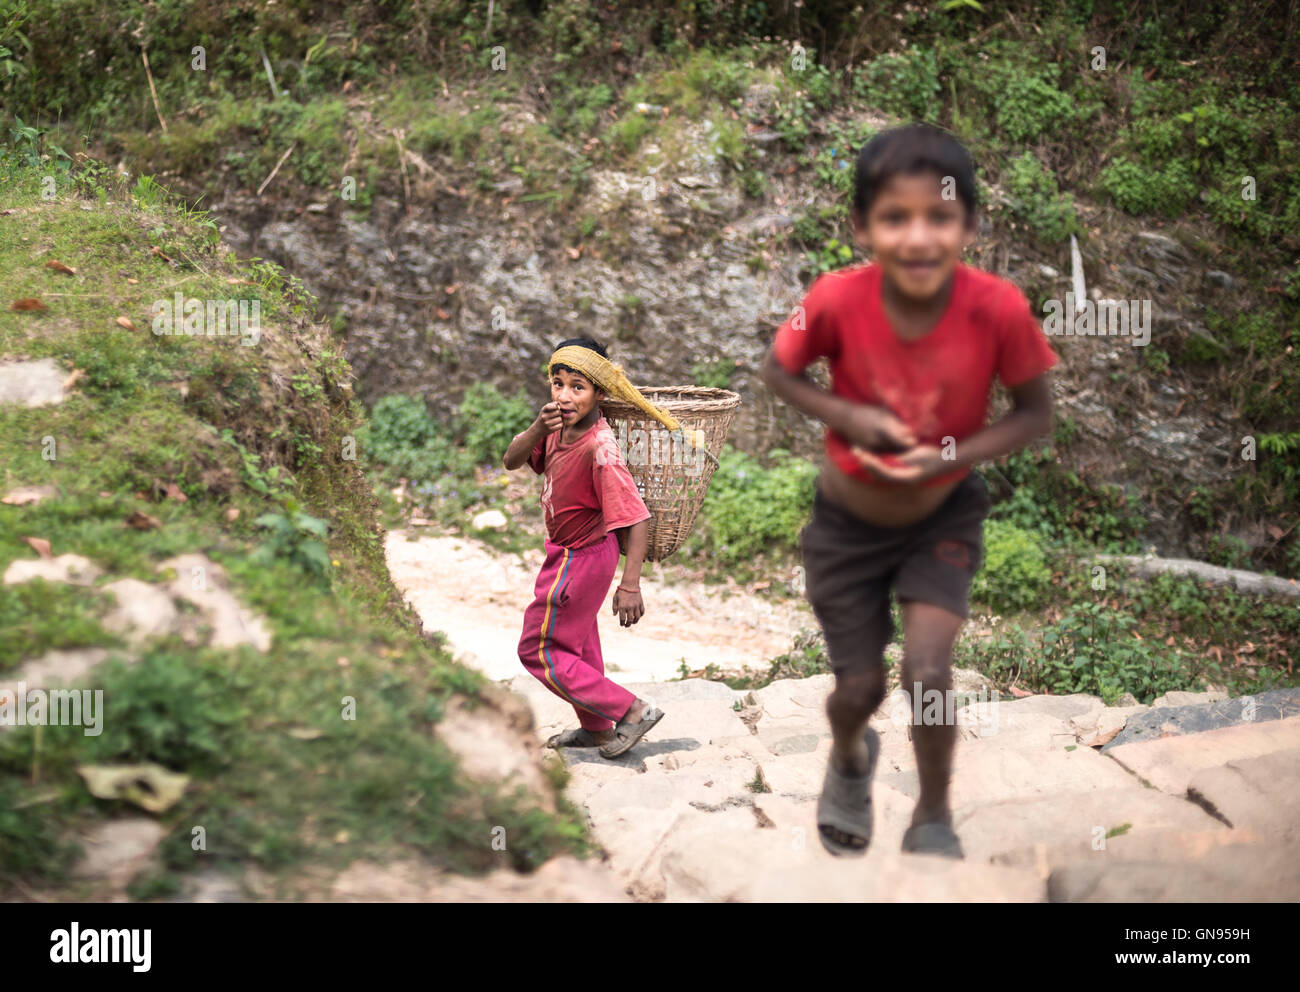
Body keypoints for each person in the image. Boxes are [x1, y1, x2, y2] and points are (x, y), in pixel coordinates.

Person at [759, 123, 1058, 857]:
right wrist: (852, 415)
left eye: (940, 216)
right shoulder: (832, 298)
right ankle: (851, 753)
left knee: (928, 671)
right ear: (862, 227)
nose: (919, 237)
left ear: (971, 224)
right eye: (896, 217)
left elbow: (1034, 414)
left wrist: (942, 458)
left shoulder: (998, 309)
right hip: (846, 527)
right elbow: (778, 371)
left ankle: (932, 813)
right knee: (857, 689)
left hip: (940, 516)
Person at [503, 337, 670, 759]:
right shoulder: (556, 428)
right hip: (567, 553)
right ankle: (597, 729)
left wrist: (630, 585)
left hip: (581, 558)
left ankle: (631, 711)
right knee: (578, 644)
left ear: (599, 392)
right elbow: (511, 459)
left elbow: (637, 519)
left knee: (538, 649)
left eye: (577, 386)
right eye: (557, 383)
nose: (564, 395)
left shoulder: (601, 448)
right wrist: (538, 428)